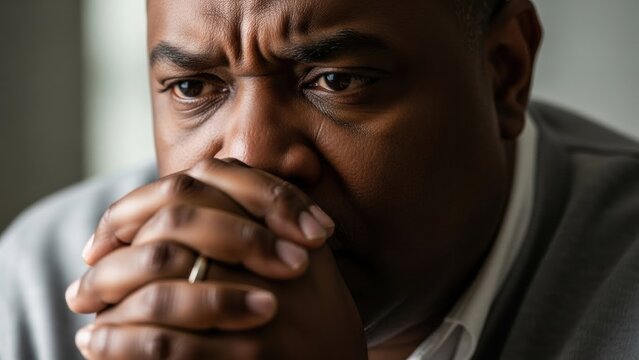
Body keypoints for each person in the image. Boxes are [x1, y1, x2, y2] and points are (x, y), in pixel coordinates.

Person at [1, 0, 639, 359]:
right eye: (194, 88)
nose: (252, 159)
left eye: (337, 81)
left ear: (505, 73)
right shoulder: (46, 286)